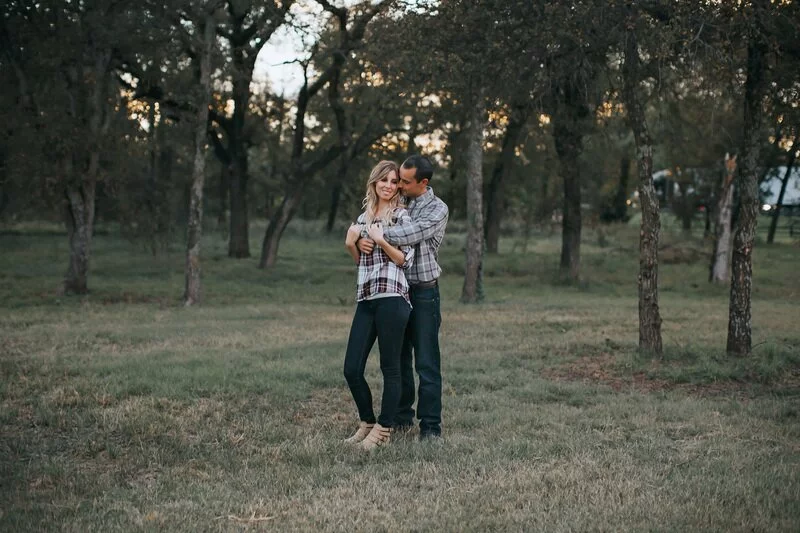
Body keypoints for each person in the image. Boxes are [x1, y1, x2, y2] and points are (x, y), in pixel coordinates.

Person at [357, 155, 449, 440]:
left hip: (423, 292)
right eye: (398, 179)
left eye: (404, 181)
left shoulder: (437, 208)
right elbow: (370, 216)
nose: (398, 184)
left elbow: (411, 233)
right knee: (397, 359)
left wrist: (369, 232)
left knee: (426, 361)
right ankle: (401, 418)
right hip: (396, 291)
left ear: (423, 182)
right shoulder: (400, 202)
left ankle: (431, 427)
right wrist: (360, 234)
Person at [343, 160, 415, 451]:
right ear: (373, 183)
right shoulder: (362, 218)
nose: (388, 185)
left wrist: (381, 240)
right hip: (367, 298)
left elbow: (404, 259)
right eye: (382, 180)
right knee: (351, 368)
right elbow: (362, 262)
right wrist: (352, 245)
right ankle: (367, 422)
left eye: (393, 181)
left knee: (390, 367)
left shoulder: (402, 217)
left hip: (393, 298)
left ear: (398, 186)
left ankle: (384, 428)